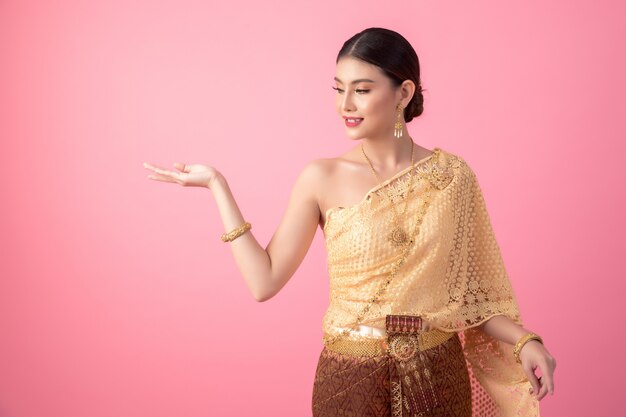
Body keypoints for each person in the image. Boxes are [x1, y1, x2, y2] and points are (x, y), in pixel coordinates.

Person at [143, 27, 556, 417]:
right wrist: (218, 186)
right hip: (350, 380)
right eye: (339, 90)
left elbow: (473, 300)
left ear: (404, 92)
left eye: (361, 90)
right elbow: (263, 282)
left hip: (436, 378)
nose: (345, 105)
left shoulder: (452, 178)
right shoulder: (321, 178)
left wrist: (524, 340)